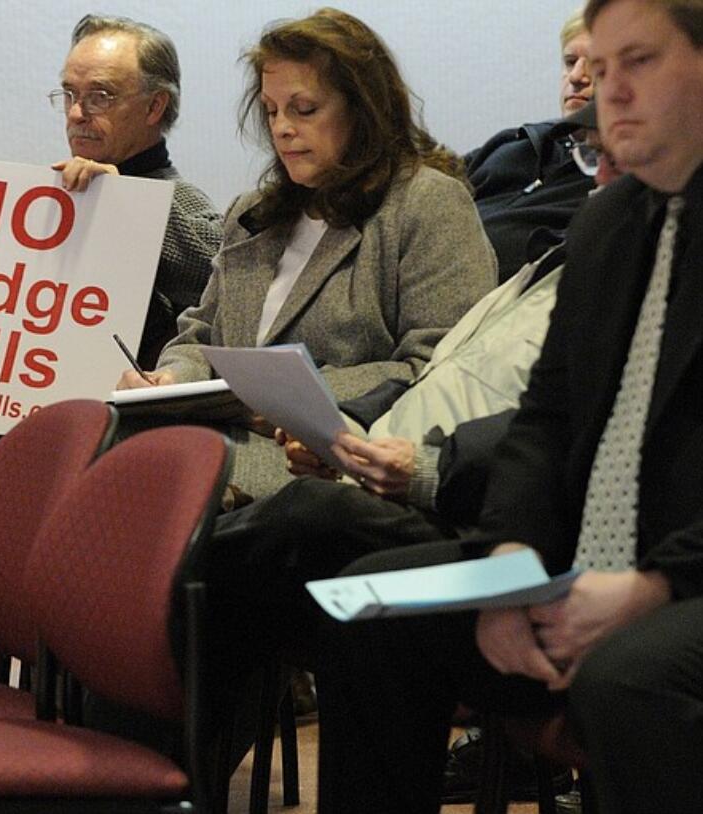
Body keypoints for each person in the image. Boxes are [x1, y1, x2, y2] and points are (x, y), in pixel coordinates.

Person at [314, 1, 703, 811]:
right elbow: (544, 424)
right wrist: (507, 566)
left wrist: (657, 583)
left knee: (630, 678)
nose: (609, 94)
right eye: (598, 70)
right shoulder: (604, 227)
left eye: (640, 63)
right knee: (369, 607)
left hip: (686, 576)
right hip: (588, 567)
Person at [116, 8, 496, 502]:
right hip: (212, 438)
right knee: (82, 446)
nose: (282, 128)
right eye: (272, 111)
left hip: (319, 462)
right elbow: (199, 334)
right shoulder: (253, 213)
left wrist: (284, 399)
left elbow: (438, 366)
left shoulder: (427, 203)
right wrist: (168, 380)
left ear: (363, 110)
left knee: (139, 494)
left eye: (304, 109)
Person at [50, 14, 222, 369]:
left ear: (154, 106)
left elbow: (227, 283)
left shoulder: (181, 202)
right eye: (69, 94)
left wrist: (126, 201)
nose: (77, 113)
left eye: (100, 96)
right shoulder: (53, 194)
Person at [467, 8, 598, 282]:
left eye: (596, 65)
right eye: (570, 61)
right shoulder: (517, 143)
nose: (576, 76)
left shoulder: (614, 185)